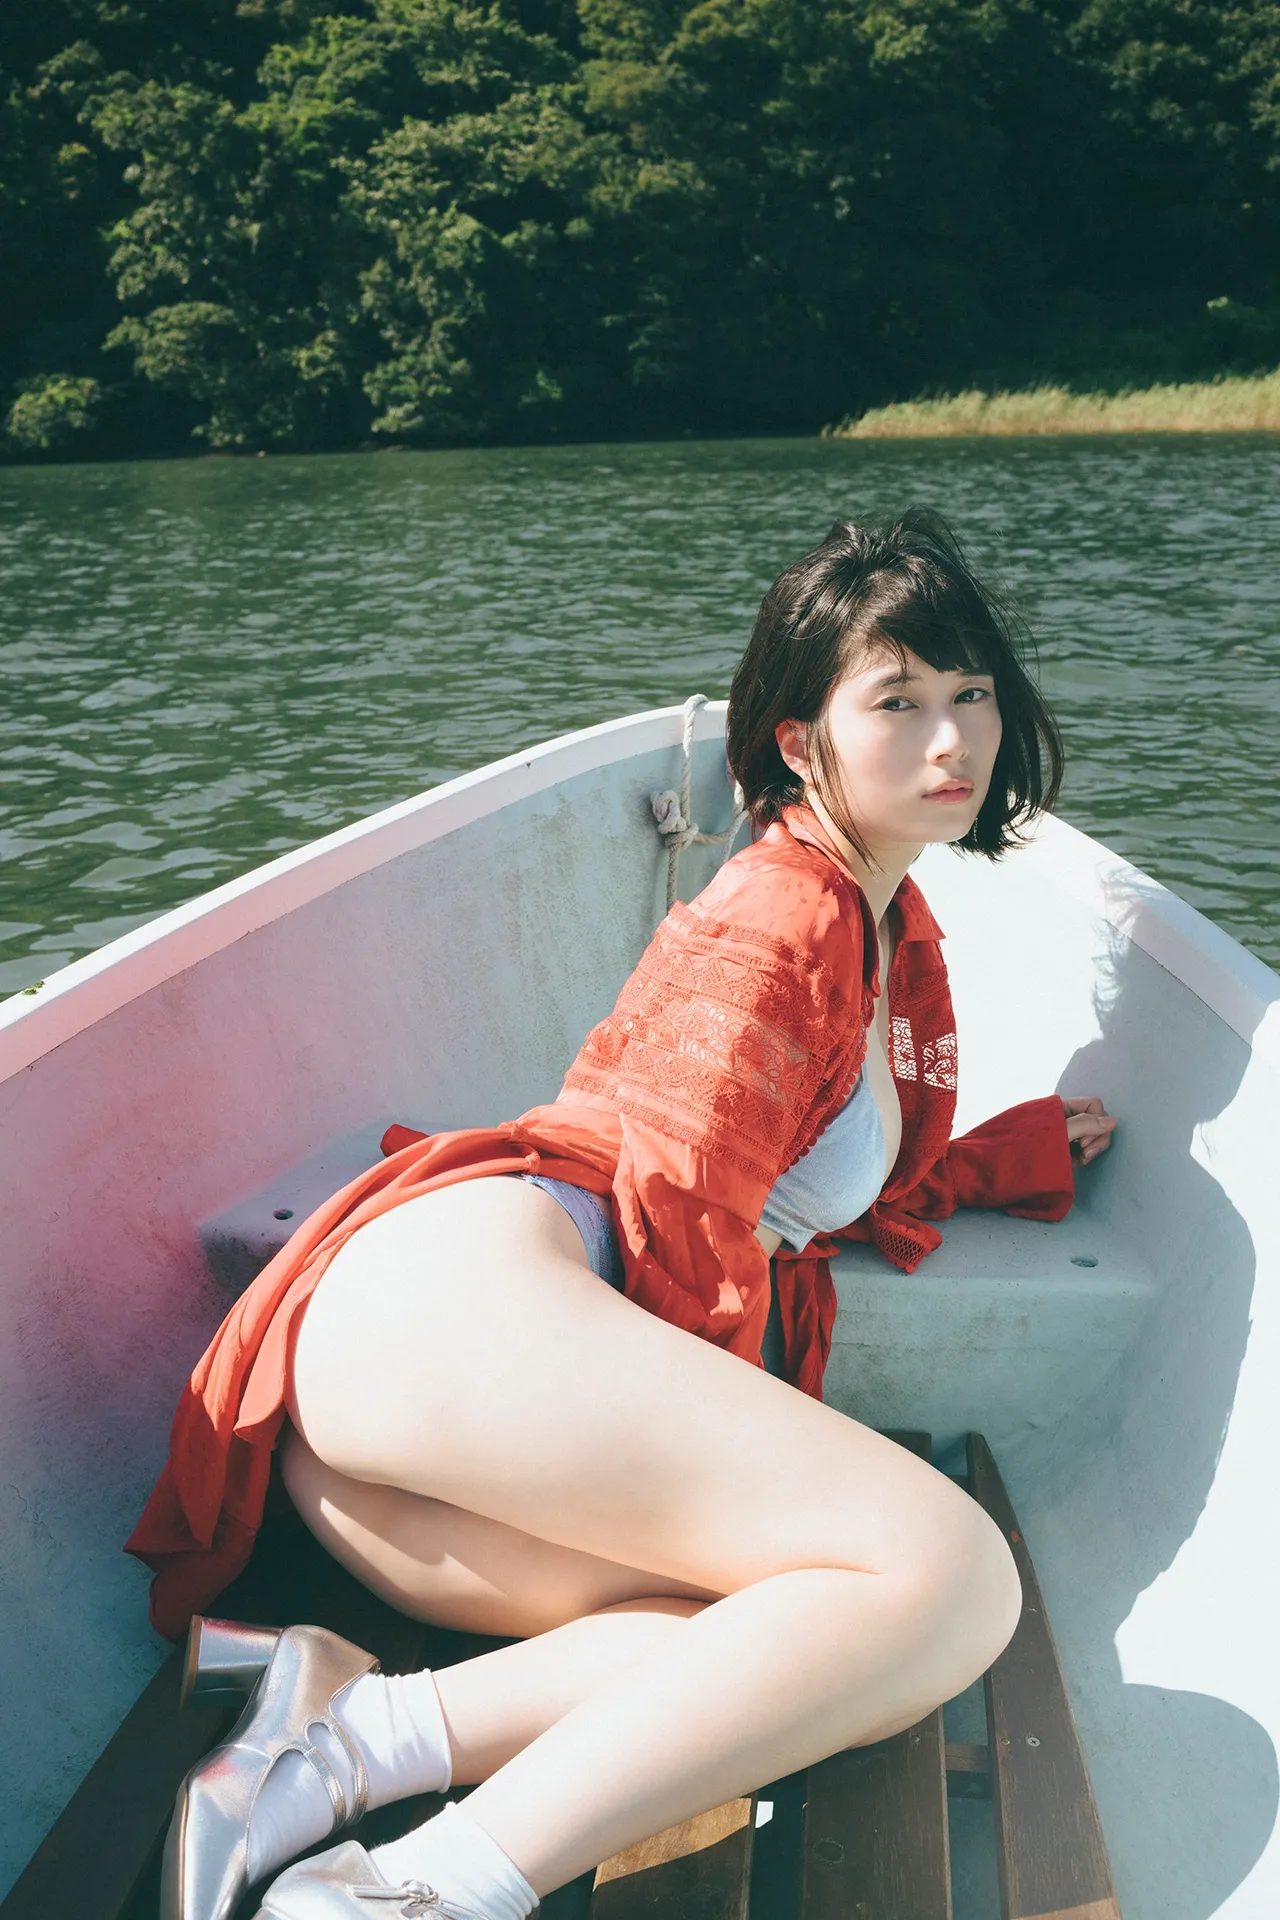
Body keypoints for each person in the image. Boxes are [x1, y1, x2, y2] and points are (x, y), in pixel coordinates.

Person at [132, 510, 1117, 1920]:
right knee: (949, 1575)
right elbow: (675, 1185)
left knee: (790, 1642)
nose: (952, 738)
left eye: (972, 696)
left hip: (413, 1438)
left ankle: (341, 1729)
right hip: (459, 1309)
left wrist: (1006, 1155)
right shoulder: (783, 916)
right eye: (898, 703)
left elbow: (811, 1163)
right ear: (803, 743)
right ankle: (417, 1892)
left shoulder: (878, 923)